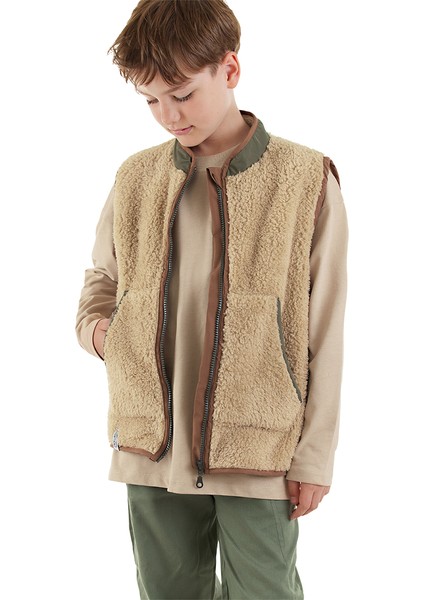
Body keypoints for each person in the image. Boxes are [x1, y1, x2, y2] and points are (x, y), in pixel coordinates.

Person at [76, 1, 348, 598]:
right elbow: (102, 279)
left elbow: (325, 329)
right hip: (151, 440)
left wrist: (314, 457)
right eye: (151, 100)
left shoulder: (305, 178)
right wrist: (103, 334)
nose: (168, 115)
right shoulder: (136, 177)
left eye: (181, 94)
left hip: (256, 445)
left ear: (229, 69)